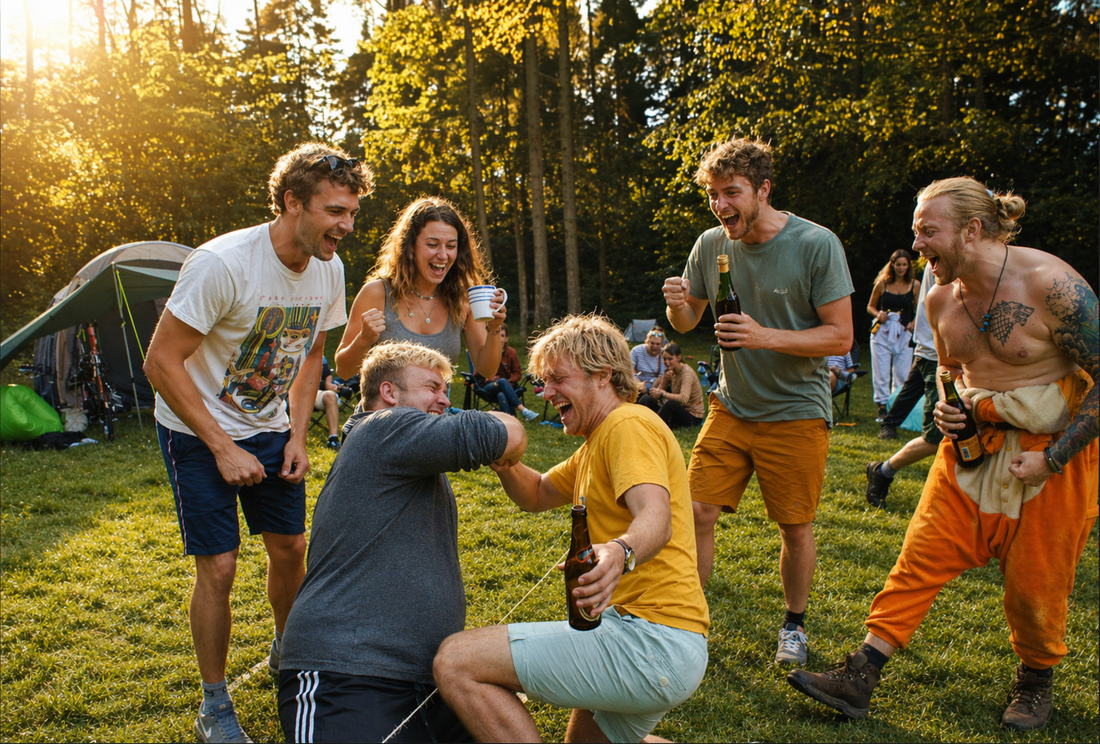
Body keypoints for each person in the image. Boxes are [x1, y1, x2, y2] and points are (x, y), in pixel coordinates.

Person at [787, 177, 1098, 732]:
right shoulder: (936, 298)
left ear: (973, 229)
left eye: (929, 231)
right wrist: (948, 411)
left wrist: (1052, 460)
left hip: (1050, 457)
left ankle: (1035, 677)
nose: (919, 245)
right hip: (970, 451)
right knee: (919, 557)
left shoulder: (1050, 284)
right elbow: (952, 376)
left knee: (1036, 582)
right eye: (916, 232)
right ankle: (861, 673)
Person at [143, 143, 372, 743]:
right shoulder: (223, 265)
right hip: (196, 429)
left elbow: (313, 351)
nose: (345, 226)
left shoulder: (329, 268)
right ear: (292, 202)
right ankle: (214, 703)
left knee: (291, 549)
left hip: (271, 429)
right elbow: (161, 361)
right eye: (333, 211)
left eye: (351, 212)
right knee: (219, 567)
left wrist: (297, 433)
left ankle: (286, 655)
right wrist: (221, 445)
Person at [433, 314, 710, 744]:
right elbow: (539, 493)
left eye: (557, 379)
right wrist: (502, 457)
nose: (546, 393)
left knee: (455, 661)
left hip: (649, 641)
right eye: (543, 382)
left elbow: (657, 516)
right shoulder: (597, 442)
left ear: (603, 376)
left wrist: (619, 551)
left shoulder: (627, 426)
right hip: (660, 643)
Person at [662, 137, 853, 666]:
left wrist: (763, 336)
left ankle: (794, 625)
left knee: (794, 525)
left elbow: (840, 337)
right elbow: (689, 322)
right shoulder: (711, 245)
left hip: (796, 411)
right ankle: (687, 620)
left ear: (763, 190)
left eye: (732, 193)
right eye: (713, 196)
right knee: (696, 510)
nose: (721, 206)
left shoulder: (817, 244)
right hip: (731, 406)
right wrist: (678, 307)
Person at [277, 341, 526, 743]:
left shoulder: (404, 452)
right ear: (389, 393)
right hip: (348, 677)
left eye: (447, 390)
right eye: (432, 387)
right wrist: (500, 430)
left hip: (431, 685)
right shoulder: (382, 427)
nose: (444, 400)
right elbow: (505, 432)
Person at [334, 196, 504, 381]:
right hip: (384, 409)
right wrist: (363, 340)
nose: (443, 255)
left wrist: (494, 328)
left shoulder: (462, 298)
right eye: (432, 244)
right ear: (410, 247)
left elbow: (487, 370)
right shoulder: (377, 293)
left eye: (451, 246)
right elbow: (343, 371)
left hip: (437, 409)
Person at [864, 263, 941, 508]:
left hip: (930, 349)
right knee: (936, 435)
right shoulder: (939, 261)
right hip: (936, 354)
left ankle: (888, 428)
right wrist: (879, 315)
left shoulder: (917, 282)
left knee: (906, 392)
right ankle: (884, 469)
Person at [867, 250, 920, 421]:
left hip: (904, 332)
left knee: (903, 372)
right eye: (898, 264)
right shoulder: (882, 284)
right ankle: (882, 406)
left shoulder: (915, 285)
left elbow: (920, 309)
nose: (901, 268)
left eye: (904, 265)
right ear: (892, 265)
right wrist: (877, 315)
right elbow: (870, 306)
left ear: (908, 266)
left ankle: (897, 406)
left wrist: (913, 321)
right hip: (883, 331)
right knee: (881, 370)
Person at [475, 323, 539, 421]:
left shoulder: (511, 353)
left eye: (502, 336)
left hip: (507, 386)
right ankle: (524, 411)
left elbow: (518, 374)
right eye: (497, 335)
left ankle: (512, 422)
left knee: (502, 394)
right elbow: (477, 374)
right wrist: (488, 376)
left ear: (506, 338)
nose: (500, 339)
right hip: (488, 387)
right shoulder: (487, 351)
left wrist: (506, 383)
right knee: (502, 382)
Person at [638, 342, 705, 429]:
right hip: (678, 410)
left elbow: (684, 399)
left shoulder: (686, 374)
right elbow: (658, 393)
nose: (667, 362)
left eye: (670, 359)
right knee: (646, 398)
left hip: (693, 416)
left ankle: (654, 427)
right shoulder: (670, 372)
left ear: (679, 357)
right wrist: (653, 391)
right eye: (664, 359)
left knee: (671, 404)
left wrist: (663, 394)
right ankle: (636, 421)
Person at [314, 356, 342, 450]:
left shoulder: (321, 357)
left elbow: (327, 378)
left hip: (316, 392)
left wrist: (334, 387)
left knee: (331, 396)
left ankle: (333, 439)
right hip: (297, 393)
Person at [629, 326, 667, 393]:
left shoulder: (664, 354)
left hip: (655, 383)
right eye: (652, 343)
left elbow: (662, 376)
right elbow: (630, 368)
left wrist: (652, 389)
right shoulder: (636, 350)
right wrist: (639, 385)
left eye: (658, 344)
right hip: (636, 381)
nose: (654, 346)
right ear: (647, 341)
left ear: (662, 344)